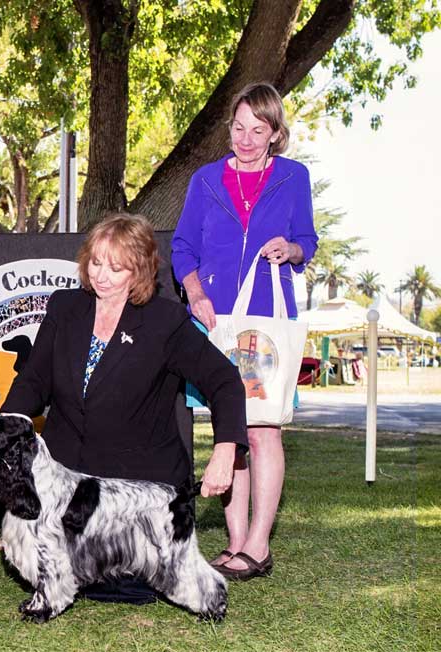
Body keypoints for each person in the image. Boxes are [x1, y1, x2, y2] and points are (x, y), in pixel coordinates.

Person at [1, 212, 248, 603]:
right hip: (69, 490)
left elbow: (225, 381)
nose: (101, 275)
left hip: (138, 498)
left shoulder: (165, 321)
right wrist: (7, 424)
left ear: (139, 272)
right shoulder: (65, 308)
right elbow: (34, 380)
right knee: (50, 565)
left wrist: (226, 449)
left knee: (128, 587)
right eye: (96, 262)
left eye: (116, 267)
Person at [171, 82, 318, 581]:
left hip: (268, 326)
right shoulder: (205, 180)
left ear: (276, 133)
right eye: (239, 127)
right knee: (228, 429)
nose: (247, 138)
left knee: (262, 430)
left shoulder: (294, 178)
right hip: (215, 323)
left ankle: (259, 545)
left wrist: (291, 250)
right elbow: (183, 248)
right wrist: (194, 292)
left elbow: (308, 242)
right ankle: (235, 544)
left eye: (259, 129)